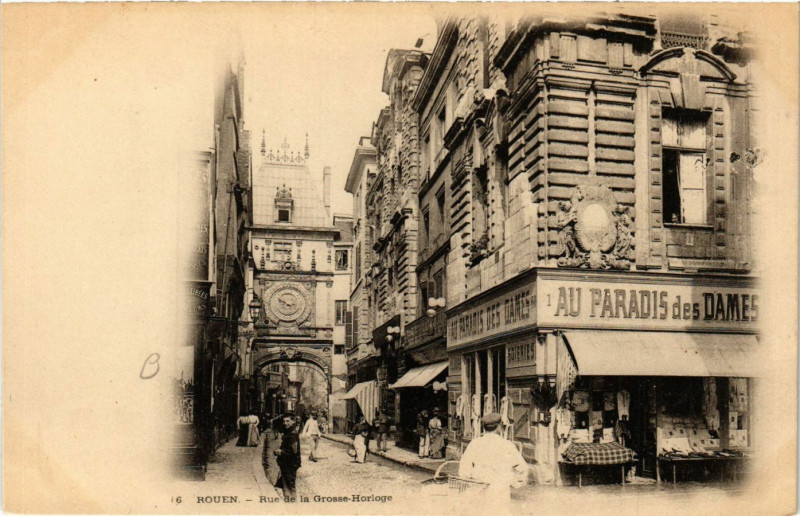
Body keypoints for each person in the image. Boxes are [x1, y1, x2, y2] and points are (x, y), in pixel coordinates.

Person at [458, 413, 528, 501]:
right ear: (499, 426)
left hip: (479, 491)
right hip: (500, 492)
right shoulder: (507, 445)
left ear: (484, 427)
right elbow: (523, 469)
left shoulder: (475, 444)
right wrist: (513, 482)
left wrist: (471, 479)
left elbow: (464, 469)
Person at [273, 414, 301, 500]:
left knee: (289, 486)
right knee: (286, 484)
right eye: (284, 421)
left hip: (290, 463)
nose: (285, 423)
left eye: (288, 421)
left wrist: (280, 452)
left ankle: (291, 502)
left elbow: (293, 451)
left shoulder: (292, 434)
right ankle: (290, 500)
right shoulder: (289, 432)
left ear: (293, 422)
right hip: (287, 463)